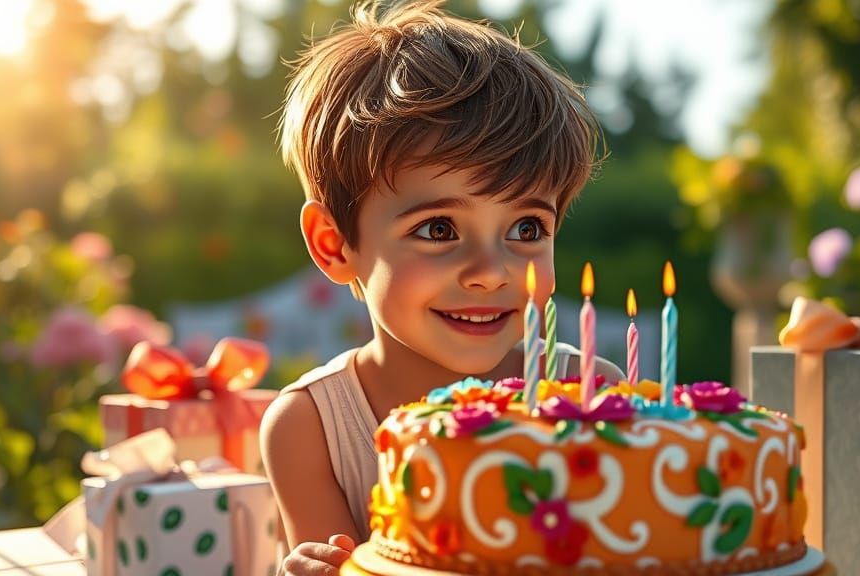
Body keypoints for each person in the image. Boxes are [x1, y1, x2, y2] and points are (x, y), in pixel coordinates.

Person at [260, 1, 624, 573]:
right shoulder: (312, 429)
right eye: (438, 229)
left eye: (527, 228)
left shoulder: (588, 393)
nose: (490, 270)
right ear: (334, 244)